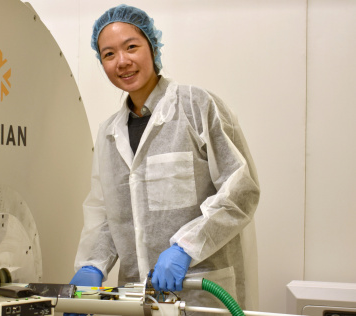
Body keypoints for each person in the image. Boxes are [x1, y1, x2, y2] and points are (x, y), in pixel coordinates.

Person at [67, 4, 260, 313]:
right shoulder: (108, 134)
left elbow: (240, 192)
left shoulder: (198, 107)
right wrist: (94, 264)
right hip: (138, 298)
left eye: (131, 47)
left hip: (202, 294)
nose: (123, 61)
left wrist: (185, 248)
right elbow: (108, 215)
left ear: (152, 47)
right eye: (109, 54)